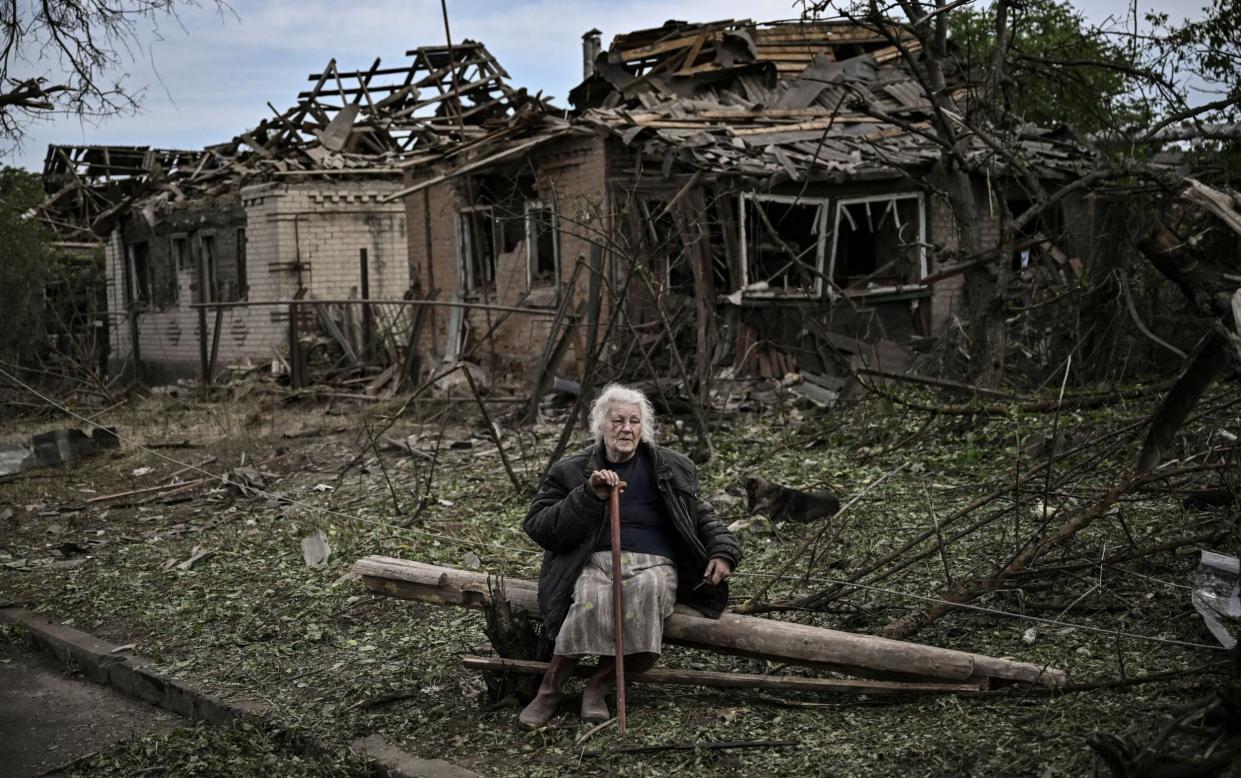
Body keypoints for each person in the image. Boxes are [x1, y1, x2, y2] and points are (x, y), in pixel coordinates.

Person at [519, 383, 741, 728]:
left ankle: (600, 685)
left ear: (644, 427)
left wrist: (723, 551)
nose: (626, 428)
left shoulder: (670, 466)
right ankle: (550, 690)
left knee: (646, 592)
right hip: (594, 561)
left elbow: (702, 515)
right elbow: (539, 526)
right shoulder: (570, 470)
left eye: (634, 421)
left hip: (655, 563)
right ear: (600, 426)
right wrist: (588, 495)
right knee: (592, 598)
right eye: (618, 420)